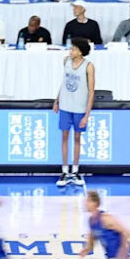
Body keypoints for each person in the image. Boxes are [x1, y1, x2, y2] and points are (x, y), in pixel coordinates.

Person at [53, 38, 95, 187]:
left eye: (74, 49)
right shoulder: (66, 61)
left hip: (80, 108)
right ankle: (64, 170)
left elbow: (91, 92)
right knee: (64, 137)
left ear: (81, 51)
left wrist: (87, 115)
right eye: (71, 49)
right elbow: (63, 83)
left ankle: (75, 170)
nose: (70, 51)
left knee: (77, 138)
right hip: (65, 106)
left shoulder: (88, 66)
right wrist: (57, 100)